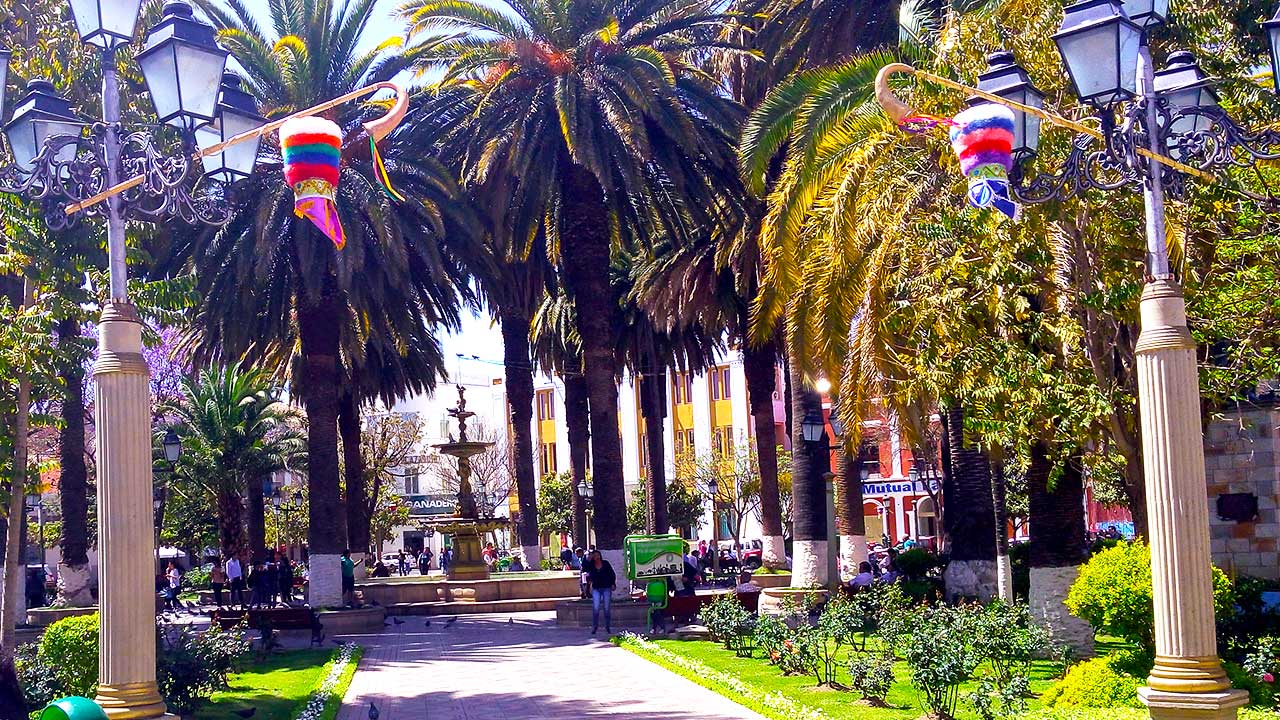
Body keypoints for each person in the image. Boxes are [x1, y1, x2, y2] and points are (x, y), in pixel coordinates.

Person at [584, 549, 616, 636]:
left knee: (606, 608)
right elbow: (584, 568)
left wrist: (613, 583)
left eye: (598, 555)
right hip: (596, 588)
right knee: (596, 608)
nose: (597, 557)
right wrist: (588, 559)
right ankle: (595, 627)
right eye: (594, 556)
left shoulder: (605, 563)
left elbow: (611, 574)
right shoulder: (591, 565)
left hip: (606, 587)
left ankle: (607, 627)